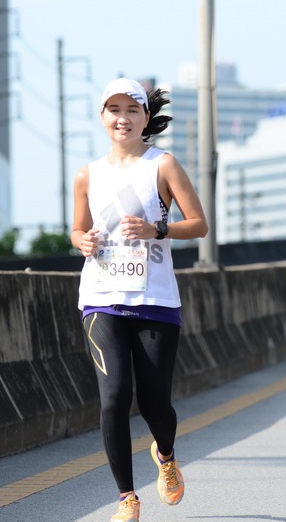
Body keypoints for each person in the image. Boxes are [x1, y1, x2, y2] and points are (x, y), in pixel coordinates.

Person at [71, 78, 208, 522]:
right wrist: (82, 241)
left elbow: (199, 224)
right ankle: (127, 498)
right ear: (102, 117)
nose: (122, 118)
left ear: (146, 117)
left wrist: (156, 229)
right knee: (114, 397)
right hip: (101, 299)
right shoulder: (87, 174)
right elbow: (76, 229)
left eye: (132, 110)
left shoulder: (162, 165)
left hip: (155, 301)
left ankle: (165, 455)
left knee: (155, 405)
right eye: (114, 110)